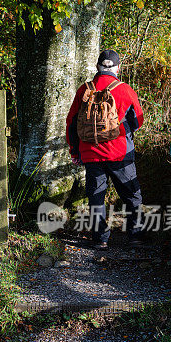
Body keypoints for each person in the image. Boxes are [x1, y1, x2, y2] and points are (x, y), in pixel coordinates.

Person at [66, 49, 149, 250]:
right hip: (120, 152)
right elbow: (138, 121)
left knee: (96, 197)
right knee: (131, 195)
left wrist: (75, 151)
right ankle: (135, 236)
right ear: (118, 68)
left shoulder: (84, 90)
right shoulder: (125, 90)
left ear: (98, 67)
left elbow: (71, 123)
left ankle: (100, 239)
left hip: (91, 153)